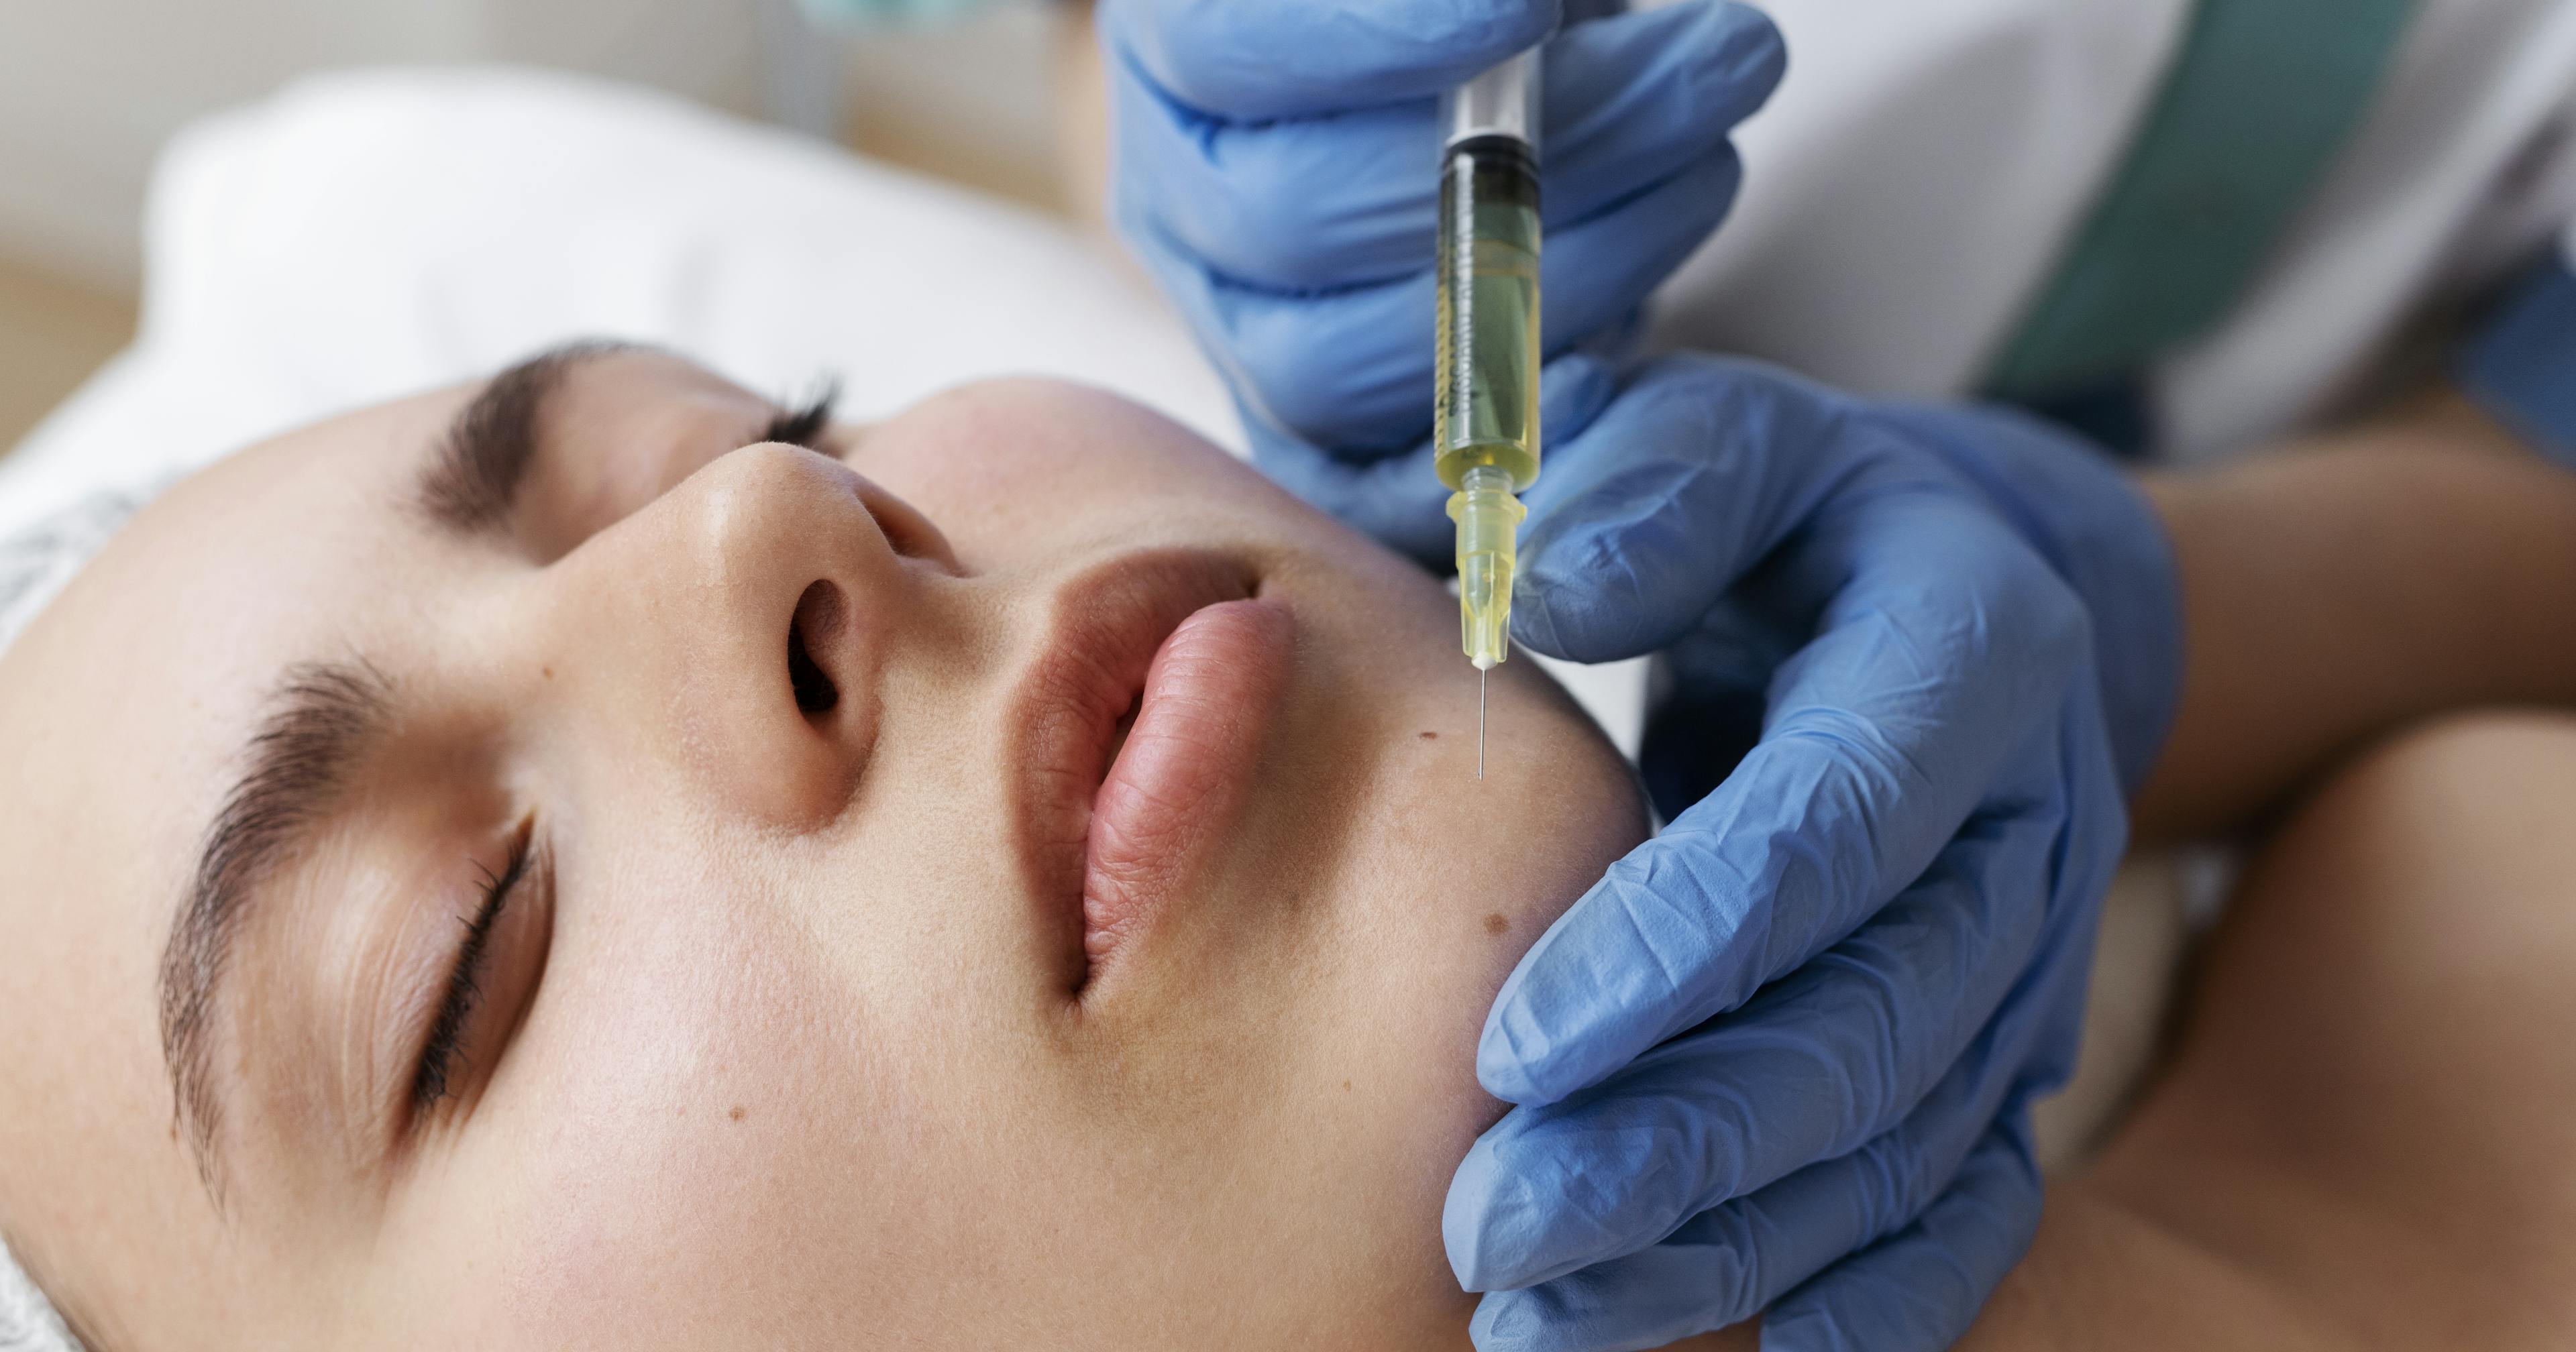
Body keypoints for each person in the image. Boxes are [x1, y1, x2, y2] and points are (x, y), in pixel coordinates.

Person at [4, 339, 2576, 1352]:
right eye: (461, 956)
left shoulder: (2462, 873)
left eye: (764, 412)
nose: (762, 525)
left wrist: (2176, 595)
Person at [1075, 0, 2576, 1343]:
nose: (832, 504)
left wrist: (2158, 596)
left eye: (831, 415)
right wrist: (1203, 130)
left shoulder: (2442, 886)